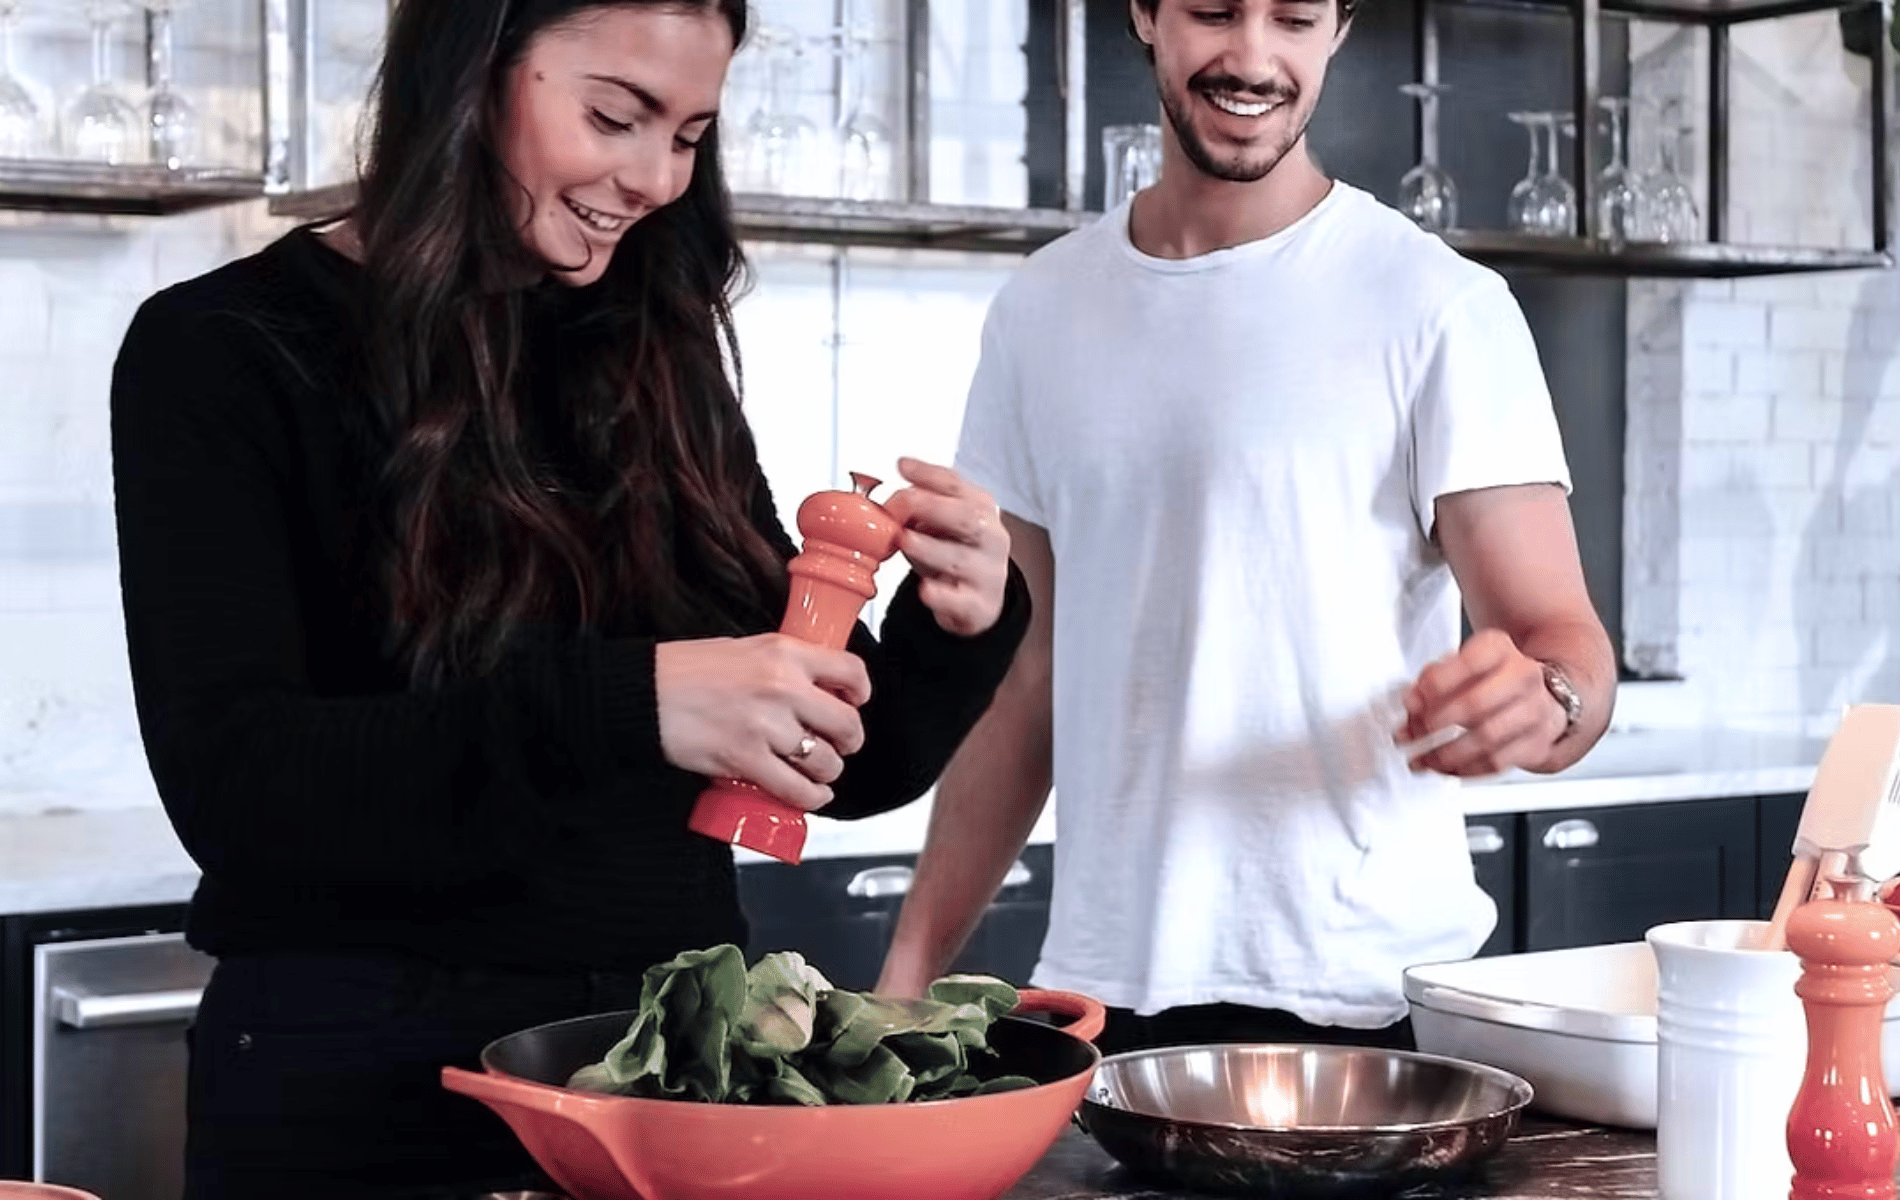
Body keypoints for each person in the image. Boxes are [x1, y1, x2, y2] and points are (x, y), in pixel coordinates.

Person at [109, 0, 1027, 1195]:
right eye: (614, 115)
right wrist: (632, 703)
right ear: (470, 72)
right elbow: (239, 789)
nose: (652, 178)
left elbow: (826, 766)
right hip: (360, 1093)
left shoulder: (660, 350)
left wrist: (953, 627)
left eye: (691, 134)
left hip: (668, 1076)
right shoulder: (222, 349)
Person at [875, 0, 1615, 1056]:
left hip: (1364, 1001)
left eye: (1294, 17)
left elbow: (1566, 648)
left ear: (1339, 27)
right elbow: (1022, 683)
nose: (1253, 56)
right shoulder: (1040, 310)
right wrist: (906, 976)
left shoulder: (1439, 306)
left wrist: (1545, 701)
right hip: (1102, 998)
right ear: (1145, 14)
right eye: (1214, 11)